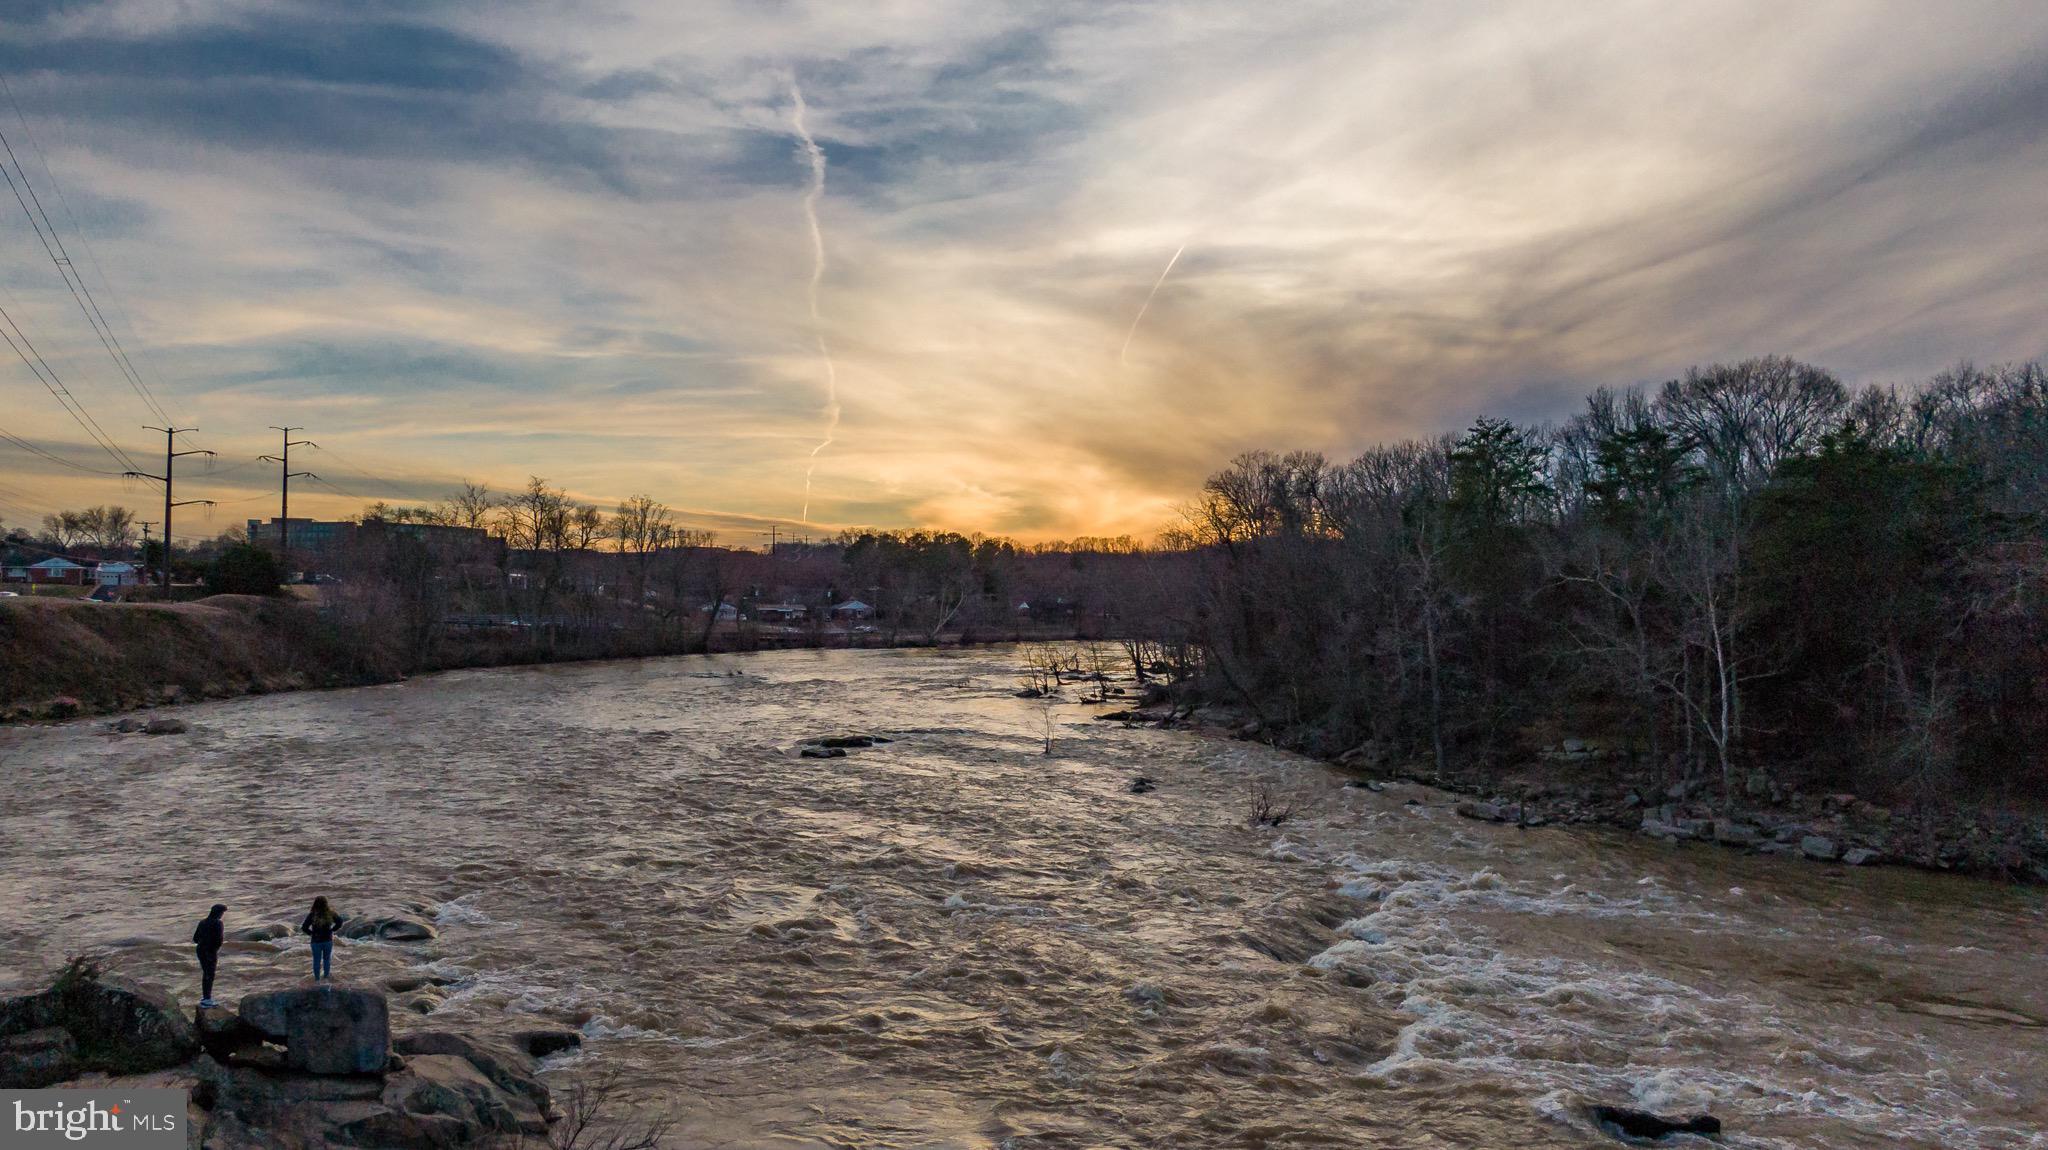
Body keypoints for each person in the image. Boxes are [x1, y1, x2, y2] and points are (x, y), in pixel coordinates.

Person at [301, 896, 344, 981]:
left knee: (316, 960)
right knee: (326, 960)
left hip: (316, 941)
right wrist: (333, 929)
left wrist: (311, 933)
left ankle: (317, 980)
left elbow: (304, 927)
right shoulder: (331, 913)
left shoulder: (312, 915)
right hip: (327, 940)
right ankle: (326, 977)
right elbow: (340, 921)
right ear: (326, 904)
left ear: (315, 904)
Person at [192, 904, 226, 1007]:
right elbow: (219, 940)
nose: (222, 915)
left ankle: (206, 997)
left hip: (200, 950)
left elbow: (195, 938)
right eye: (222, 913)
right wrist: (214, 949)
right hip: (210, 951)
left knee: (206, 973)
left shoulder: (202, 922)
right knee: (209, 974)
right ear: (218, 913)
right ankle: (207, 999)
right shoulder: (218, 923)